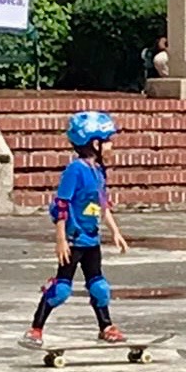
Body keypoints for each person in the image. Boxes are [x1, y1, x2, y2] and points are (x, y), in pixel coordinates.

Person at [23, 110, 130, 346]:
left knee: (100, 287)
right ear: (95, 143)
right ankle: (35, 330)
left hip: (91, 239)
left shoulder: (99, 171)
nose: (112, 146)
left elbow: (102, 204)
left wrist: (115, 231)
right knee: (61, 290)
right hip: (73, 240)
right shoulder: (75, 170)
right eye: (108, 141)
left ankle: (106, 327)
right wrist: (60, 239)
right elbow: (61, 204)